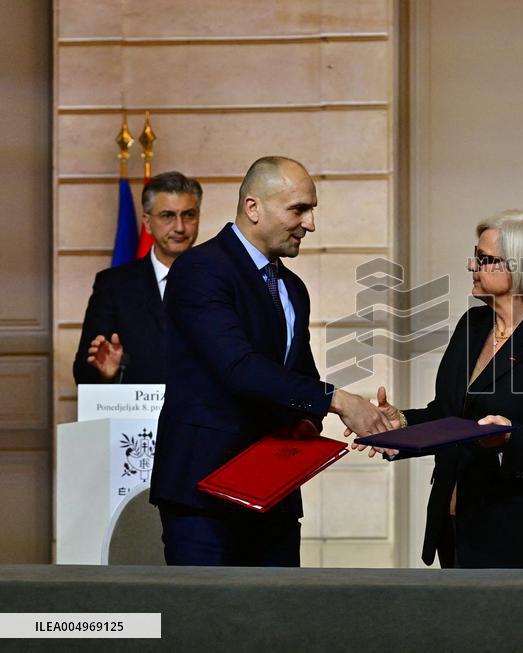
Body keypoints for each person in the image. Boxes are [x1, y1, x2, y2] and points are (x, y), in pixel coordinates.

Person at [149, 156, 391, 566]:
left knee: (277, 623)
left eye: (311, 209)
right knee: (206, 626)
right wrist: (341, 401)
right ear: (253, 208)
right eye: (298, 209)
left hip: (273, 495)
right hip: (204, 496)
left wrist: (306, 424)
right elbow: (239, 369)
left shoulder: (292, 286)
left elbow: (299, 375)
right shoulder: (200, 269)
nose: (310, 223)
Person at [355, 209, 523, 568]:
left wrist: (511, 439)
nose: (471, 266)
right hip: (458, 528)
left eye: (484, 259)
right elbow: (451, 416)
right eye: (475, 256)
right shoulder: (472, 326)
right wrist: (400, 424)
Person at [73, 171, 202, 384]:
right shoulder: (113, 286)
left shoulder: (224, 279)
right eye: (167, 216)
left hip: (203, 414)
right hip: (136, 413)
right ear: (147, 222)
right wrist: (107, 373)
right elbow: (83, 373)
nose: (180, 227)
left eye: (188, 215)